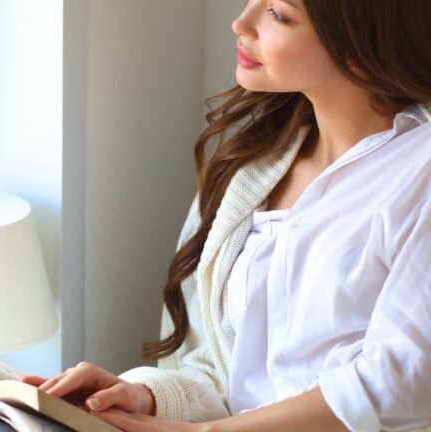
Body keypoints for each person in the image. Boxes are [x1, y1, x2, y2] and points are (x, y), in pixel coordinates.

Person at [22, 1, 431, 431]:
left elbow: (404, 378)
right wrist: (144, 397)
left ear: (360, 44)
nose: (240, 24)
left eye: (278, 14)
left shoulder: (417, 171)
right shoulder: (253, 169)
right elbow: (222, 370)